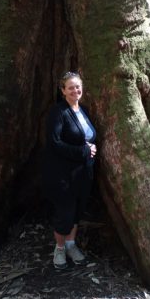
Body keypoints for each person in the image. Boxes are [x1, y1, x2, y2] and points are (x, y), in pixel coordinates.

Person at [43, 71, 97, 269]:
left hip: (83, 172)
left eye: (78, 86)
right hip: (63, 173)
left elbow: (88, 136)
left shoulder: (83, 111)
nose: (75, 90)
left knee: (77, 210)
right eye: (71, 87)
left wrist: (88, 152)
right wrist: (83, 151)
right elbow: (54, 143)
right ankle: (59, 249)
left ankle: (71, 245)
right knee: (64, 212)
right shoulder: (58, 112)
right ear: (63, 90)